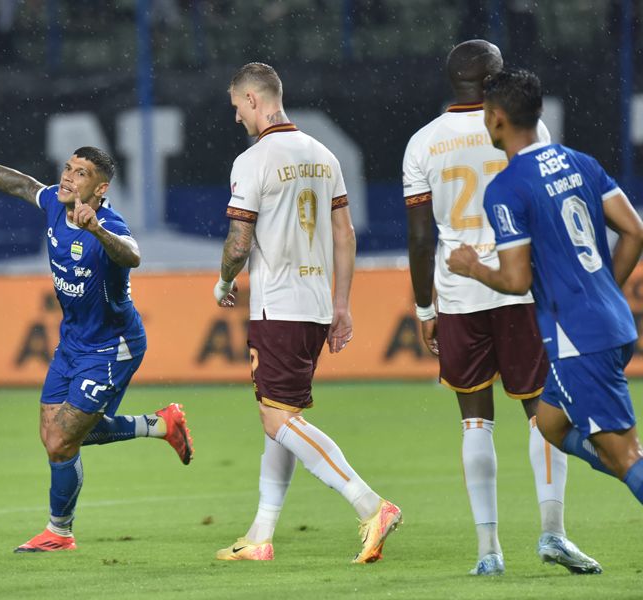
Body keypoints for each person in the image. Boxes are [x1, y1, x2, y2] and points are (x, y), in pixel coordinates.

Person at [0, 125, 194, 553]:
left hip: (113, 346)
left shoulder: (108, 223)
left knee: (61, 440)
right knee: (57, 434)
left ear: (101, 188)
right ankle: (161, 424)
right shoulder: (55, 201)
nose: (68, 177)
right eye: (68, 167)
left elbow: (133, 255)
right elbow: (21, 184)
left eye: (81, 173)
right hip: (72, 342)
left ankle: (60, 533)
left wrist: (98, 232)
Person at [404, 41, 600, 576]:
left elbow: (420, 239)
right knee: (544, 416)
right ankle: (553, 533)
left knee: (474, 422)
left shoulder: (421, 144)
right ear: (493, 82)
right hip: (521, 291)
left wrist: (425, 309)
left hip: (459, 296)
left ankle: (488, 552)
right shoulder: (526, 131)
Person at [212, 62, 401, 564]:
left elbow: (238, 242)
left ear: (254, 100)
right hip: (315, 304)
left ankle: (370, 504)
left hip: (278, 304)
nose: (236, 118)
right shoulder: (323, 155)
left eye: (237, 107)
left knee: (276, 420)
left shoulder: (253, 161)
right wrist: (341, 305)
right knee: (281, 415)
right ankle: (260, 534)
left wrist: (226, 280)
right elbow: (345, 234)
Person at [447, 68, 643, 514]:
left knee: (625, 453)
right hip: (610, 319)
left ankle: (631, 467)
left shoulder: (507, 189)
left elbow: (515, 280)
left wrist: (472, 266)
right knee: (551, 424)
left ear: (496, 118)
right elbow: (634, 230)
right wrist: (602, 289)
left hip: (579, 338)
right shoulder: (581, 162)